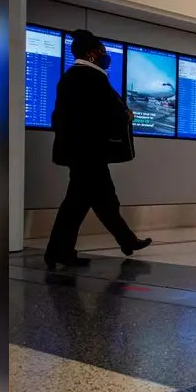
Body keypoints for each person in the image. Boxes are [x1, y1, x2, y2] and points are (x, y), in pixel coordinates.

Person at [45, 29, 151, 268]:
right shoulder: (90, 78)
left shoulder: (72, 77)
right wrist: (125, 114)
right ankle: (59, 252)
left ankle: (124, 240)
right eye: (102, 51)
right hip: (88, 154)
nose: (106, 55)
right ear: (92, 54)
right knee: (84, 202)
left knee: (96, 200)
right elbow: (102, 114)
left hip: (81, 153)